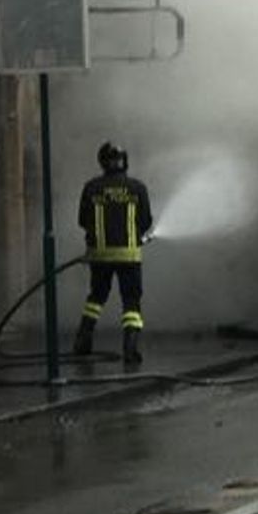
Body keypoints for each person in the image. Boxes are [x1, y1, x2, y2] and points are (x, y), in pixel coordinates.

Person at [73, 142, 154, 366]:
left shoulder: (91, 188)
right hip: (129, 256)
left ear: (102, 161)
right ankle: (130, 349)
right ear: (124, 161)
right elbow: (146, 221)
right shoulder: (137, 188)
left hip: (99, 256)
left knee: (96, 297)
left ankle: (83, 341)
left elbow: (82, 221)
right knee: (131, 302)